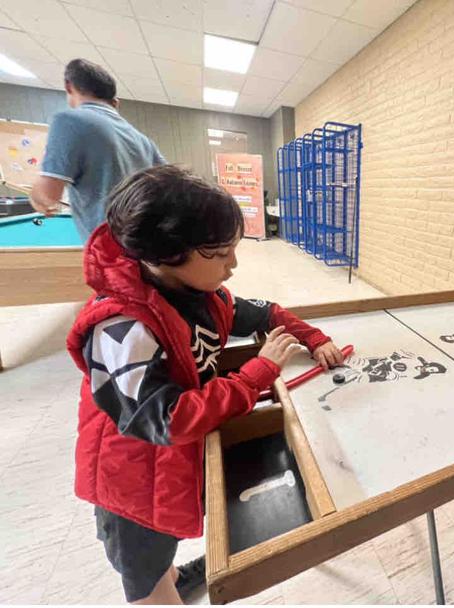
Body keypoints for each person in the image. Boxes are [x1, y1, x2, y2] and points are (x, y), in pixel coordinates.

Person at [65, 165, 344, 604]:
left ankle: (172, 577)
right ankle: (163, 589)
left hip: (169, 467)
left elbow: (267, 312)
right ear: (163, 253)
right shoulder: (119, 327)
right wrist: (256, 373)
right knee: (145, 578)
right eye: (219, 254)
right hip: (131, 483)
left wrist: (315, 337)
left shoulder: (204, 294)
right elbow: (169, 419)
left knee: (164, 551)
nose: (232, 266)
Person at [31, 58, 165, 241]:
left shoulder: (69, 121)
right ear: (115, 102)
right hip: (146, 248)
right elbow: (170, 187)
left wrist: (36, 195)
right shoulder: (143, 140)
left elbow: (47, 196)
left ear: (69, 86)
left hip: (109, 253)